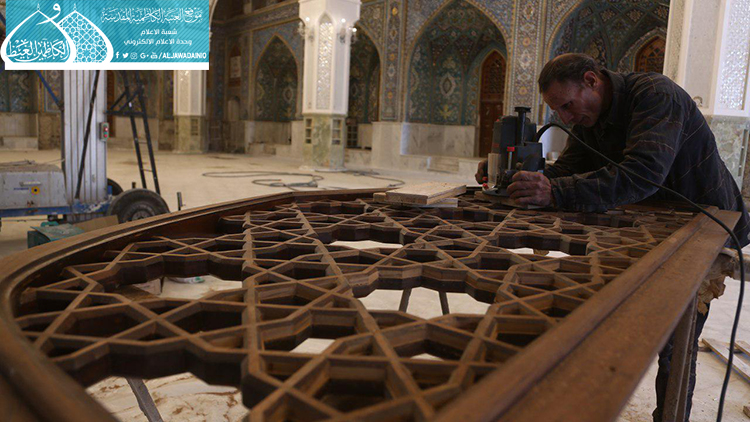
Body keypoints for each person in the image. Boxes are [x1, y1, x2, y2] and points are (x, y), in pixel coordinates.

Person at [475, 53, 750, 421]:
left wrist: (555, 192)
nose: (566, 118)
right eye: (559, 111)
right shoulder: (590, 116)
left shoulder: (655, 95)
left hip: (703, 223)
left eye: (567, 106)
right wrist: (514, 179)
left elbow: (643, 174)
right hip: (651, 223)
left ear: (592, 80)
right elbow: (569, 169)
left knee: (674, 339)